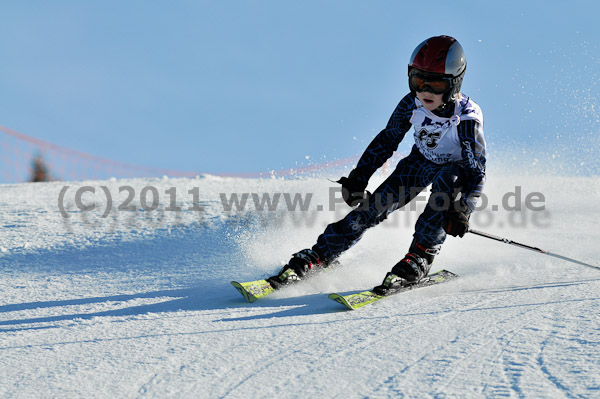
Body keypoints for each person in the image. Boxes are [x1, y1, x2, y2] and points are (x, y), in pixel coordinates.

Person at [267, 35, 486, 294]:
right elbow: (388, 139)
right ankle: (320, 255)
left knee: (445, 185)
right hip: (421, 162)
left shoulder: (467, 118)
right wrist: (359, 177)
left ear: (454, 83)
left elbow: (476, 171)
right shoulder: (410, 103)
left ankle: (419, 257)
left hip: (455, 171)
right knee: (372, 208)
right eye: (418, 80)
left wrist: (463, 209)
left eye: (437, 84)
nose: (426, 91)